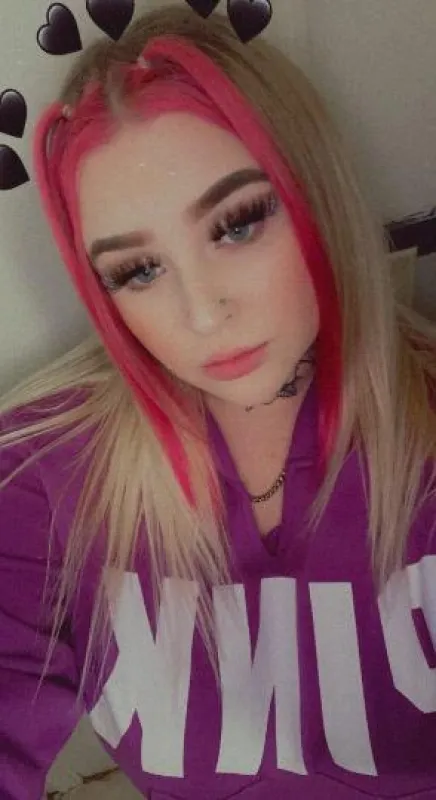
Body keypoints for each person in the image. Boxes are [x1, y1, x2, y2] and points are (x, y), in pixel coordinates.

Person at [1, 4, 436, 798]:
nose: (202, 313)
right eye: (137, 271)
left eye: (236, 224)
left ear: (316, 196)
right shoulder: (44, 476)